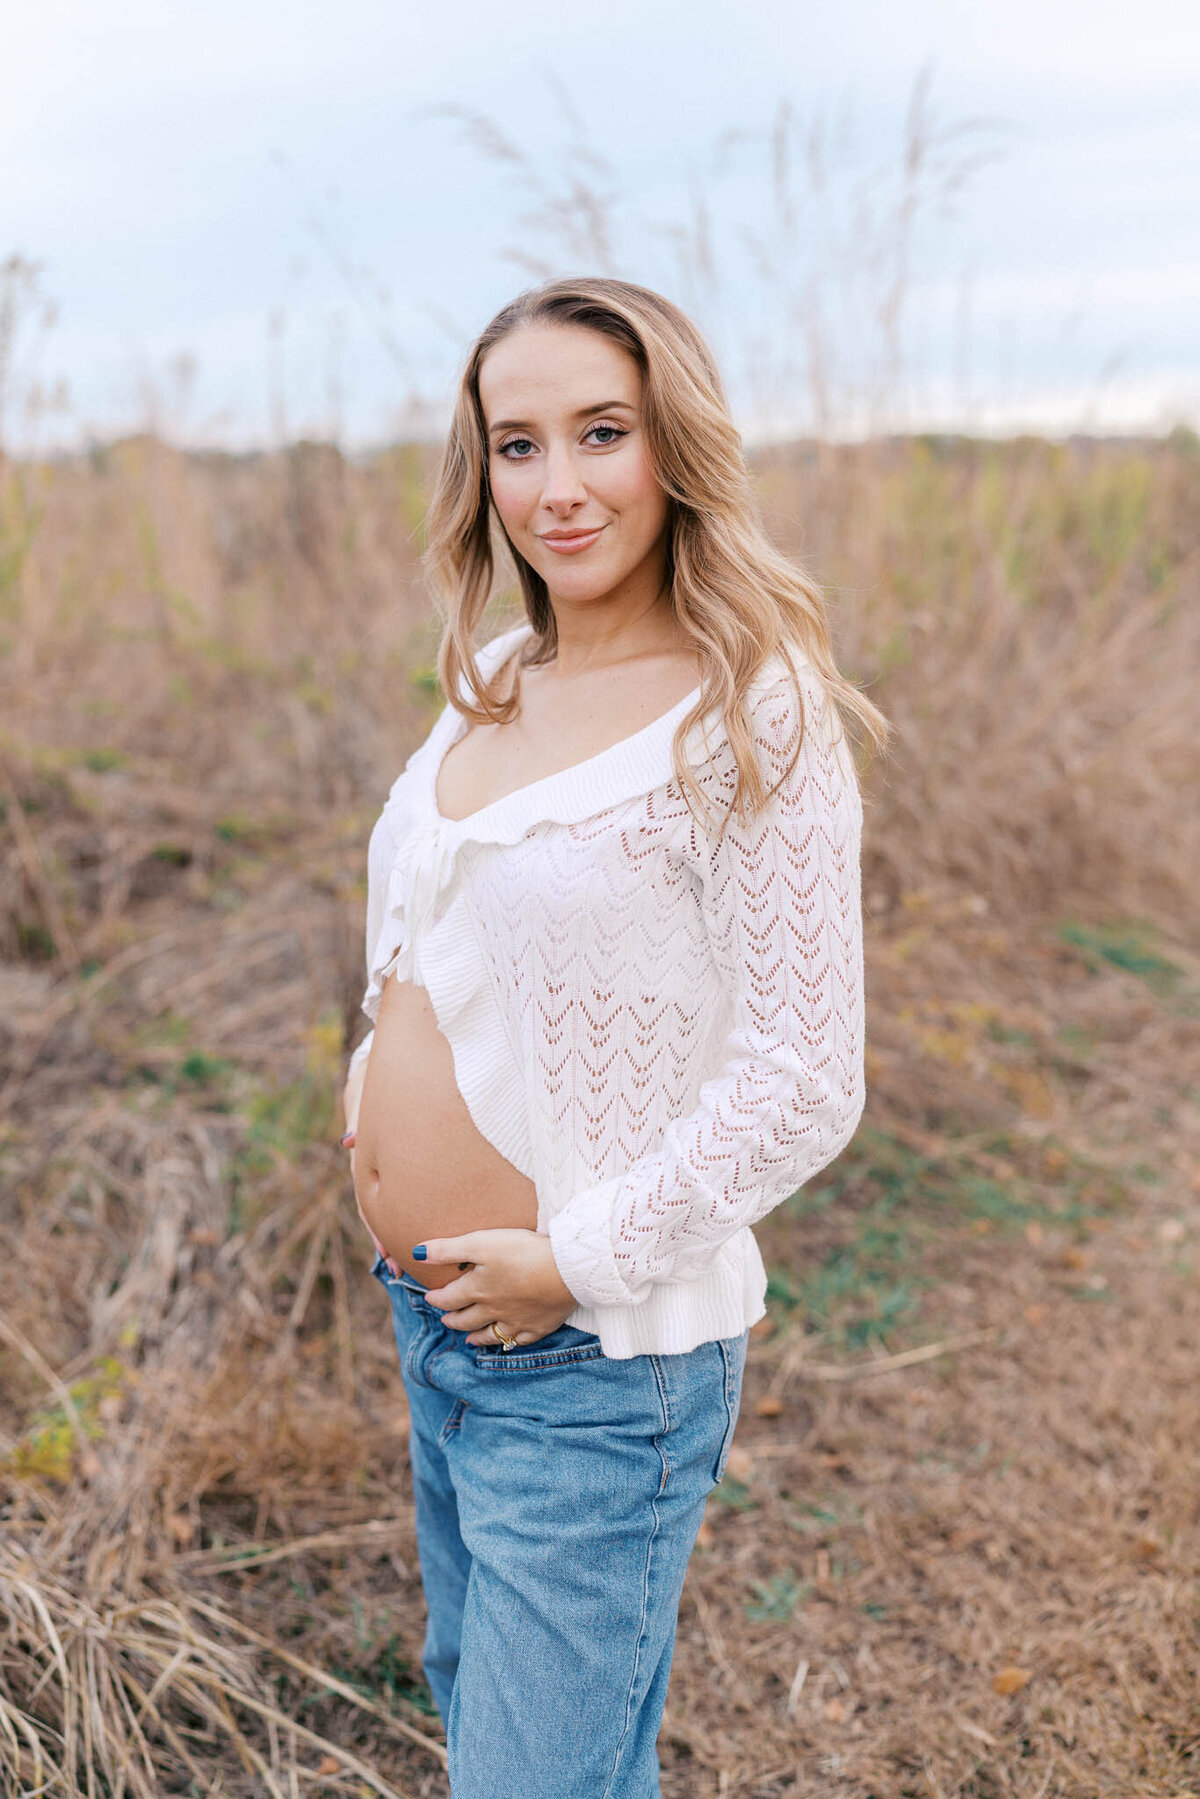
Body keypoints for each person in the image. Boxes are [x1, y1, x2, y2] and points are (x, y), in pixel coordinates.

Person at [340, 276, 885, 1799]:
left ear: (675, 447)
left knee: (531, 1777)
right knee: (520, 1739)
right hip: (437, 1326)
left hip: (588, 1360)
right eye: (517, 444)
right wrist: (367, 1097)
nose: (557, 487)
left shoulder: (749, 713)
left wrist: (569, 1261)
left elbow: (802, 1078)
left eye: (602, 433)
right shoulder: (498, 684)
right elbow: (422, 930)